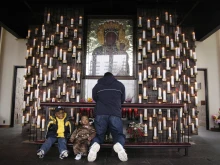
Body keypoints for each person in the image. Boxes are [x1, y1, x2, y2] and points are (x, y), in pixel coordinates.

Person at [87, 72, 128, 162]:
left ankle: (95, 145)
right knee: (119, 134)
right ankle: (119, 144)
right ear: (113, 77)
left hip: (100, 113)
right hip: (115, 113)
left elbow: (95, 98)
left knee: (98, 134)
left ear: (103, 77)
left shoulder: (97, 86)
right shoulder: (120, 85)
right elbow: (122, 99)